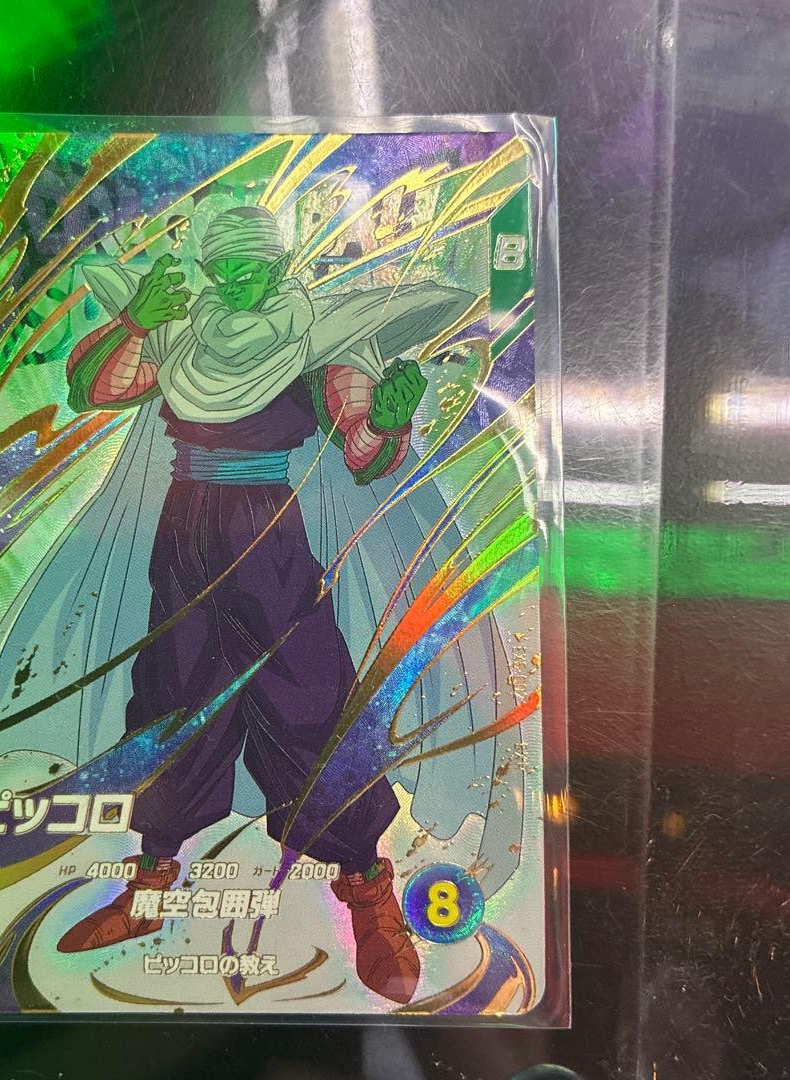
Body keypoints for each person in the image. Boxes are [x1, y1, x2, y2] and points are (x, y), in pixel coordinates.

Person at [52, 206, 474, 1004]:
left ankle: (367, 889)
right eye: (225, 269)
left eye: (253, 268)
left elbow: (362, 454)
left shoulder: (315, 339)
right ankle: (149, 886)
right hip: (185, 530)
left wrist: (388, 422)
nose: (238, 282)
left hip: (268, 533)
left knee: (308, 699)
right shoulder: (183, 331)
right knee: (173, 700)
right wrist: (135, 320)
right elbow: (90, 390)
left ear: (279, 268)